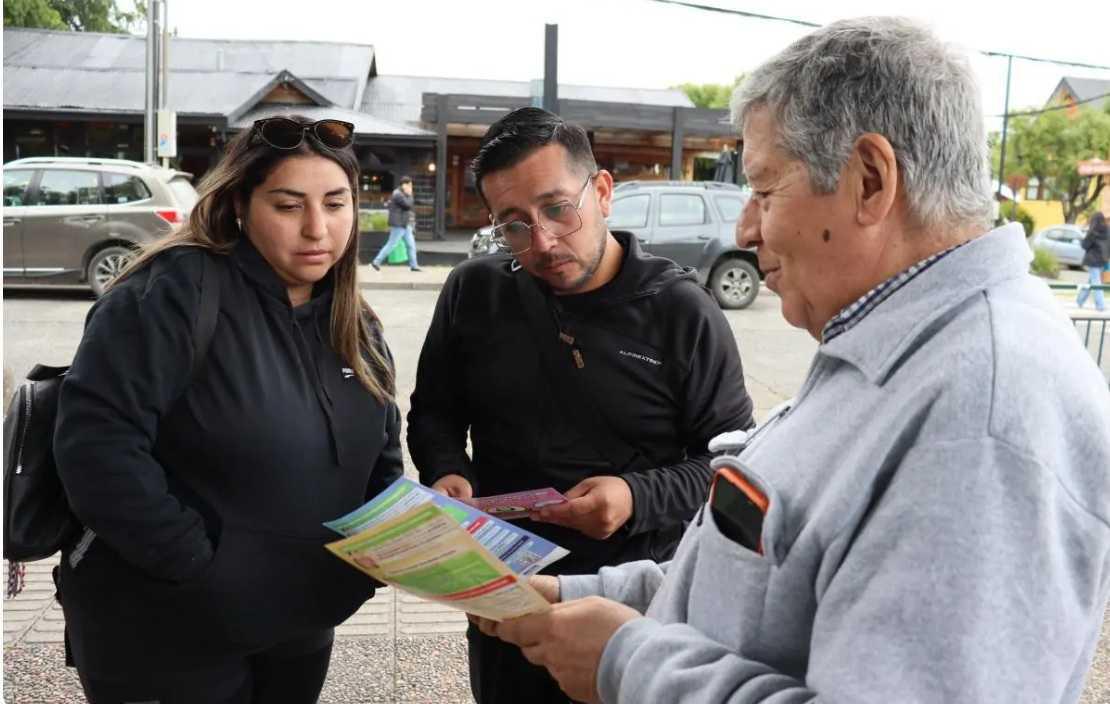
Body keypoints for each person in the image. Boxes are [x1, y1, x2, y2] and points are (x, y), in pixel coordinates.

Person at [476, 18, 1110, 704]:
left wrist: (629, 662)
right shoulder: (899, 349)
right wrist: (584, 595)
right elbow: (756, 576)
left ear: (870, 180)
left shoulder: (983, 415)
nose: (745, 229)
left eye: (765, 190)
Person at [407, 106, 755, 703]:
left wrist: (637, 497)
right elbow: (434, 412)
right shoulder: (475, 291)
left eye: (557, 209)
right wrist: (446, 471)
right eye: (513, 225)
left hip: (629, 602)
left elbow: (732, 471)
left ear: (603, 192)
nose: (542, 241)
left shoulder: (683, 313)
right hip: (507, 592)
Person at [54, 115, 403, 703]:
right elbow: (97, 449)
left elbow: (382, 455)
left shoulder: (355, 322)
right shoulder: (171, 293)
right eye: (288, 206)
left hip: (300, 622)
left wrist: (385, 551)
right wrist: (202, 567)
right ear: (239, 203)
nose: (317, 228)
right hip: (167, 626)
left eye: (335, 203)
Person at [371, 175, 421, 271]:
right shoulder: (397, 194)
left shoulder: (403, 194)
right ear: (404, 185)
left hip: (405, 224)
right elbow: (407, 205)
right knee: (392, 244)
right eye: (409, 185)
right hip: (398, 224)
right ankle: (376, 262)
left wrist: (409, 195)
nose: (411, 187)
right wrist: (410, 195)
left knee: (411, 245)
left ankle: (414, 266)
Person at [1077, 210, 1109, 311]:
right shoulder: (1108, 231)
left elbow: (1084, 245)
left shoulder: (1093, 232)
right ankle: (1080, 300)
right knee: (1092, 281)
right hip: (1103, 260)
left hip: (1093, 260)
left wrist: (1081, 240)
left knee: (1096, 283)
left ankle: (1100, 305)